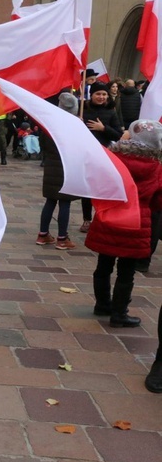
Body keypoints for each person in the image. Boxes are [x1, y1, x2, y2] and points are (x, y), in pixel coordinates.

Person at [85, 120, 162, 327]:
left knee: (104, 265)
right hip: (137, 222)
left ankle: (102, 304)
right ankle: (119, 314)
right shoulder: (156, 166)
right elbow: (158, 201)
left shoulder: (113, 158)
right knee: (126, 272)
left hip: (110, 217)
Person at [36, 93, 80, 250]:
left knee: (50, 200)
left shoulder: (50, 124)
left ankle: (43, 234)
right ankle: (62, 238)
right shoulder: (75, 125)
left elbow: (43, 144)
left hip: (51, 165)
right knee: (65, 202)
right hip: (67, 166)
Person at [80, 82, 124, 233]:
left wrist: (103, 128)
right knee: (87, 190)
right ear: (91, 95)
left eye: (104, 94)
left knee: (101, 189)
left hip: (104, 155)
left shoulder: (111, 112)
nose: (101, 97)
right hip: (85, 155)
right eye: (98, 94)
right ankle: (87, 219)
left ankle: (100, 217)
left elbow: (118, 135)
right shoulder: (82, 110)